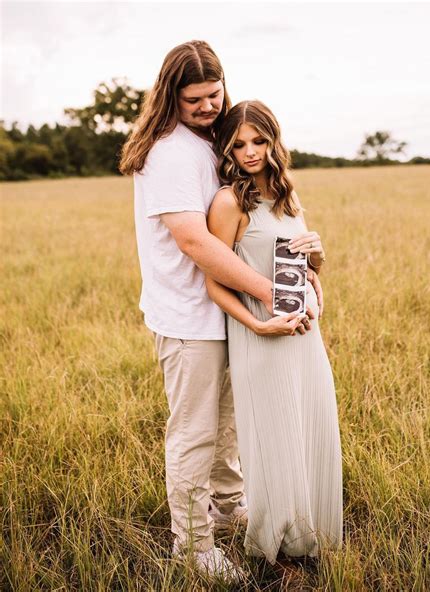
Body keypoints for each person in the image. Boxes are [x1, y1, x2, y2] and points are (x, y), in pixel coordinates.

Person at [119, 41, 322, 582]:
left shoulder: (210, 141)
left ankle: (231, 509)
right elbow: (194, 243)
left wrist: (300, 266)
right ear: (170, 96)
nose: (209, 106)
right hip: (188, 316)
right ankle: (194, 546)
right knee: (194, 433)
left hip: (226, 313)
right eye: (195, 100)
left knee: (227, 425)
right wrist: (270, 293)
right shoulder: (169, 151)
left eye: (215, 95)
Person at [205, 100, 343, 565]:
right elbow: (214, 282)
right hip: (260, 335)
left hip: (305, 333)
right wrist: (257, 325)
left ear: (273, 141)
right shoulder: (228, 202)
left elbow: (306, 266)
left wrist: (318, 255)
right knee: (275, 435)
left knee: (311, 424)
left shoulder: (288, 194)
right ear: (226, 147)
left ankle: (314, 537)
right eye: (239, 143)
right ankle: (277, 548)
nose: (249, 152)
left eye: (259, 141)